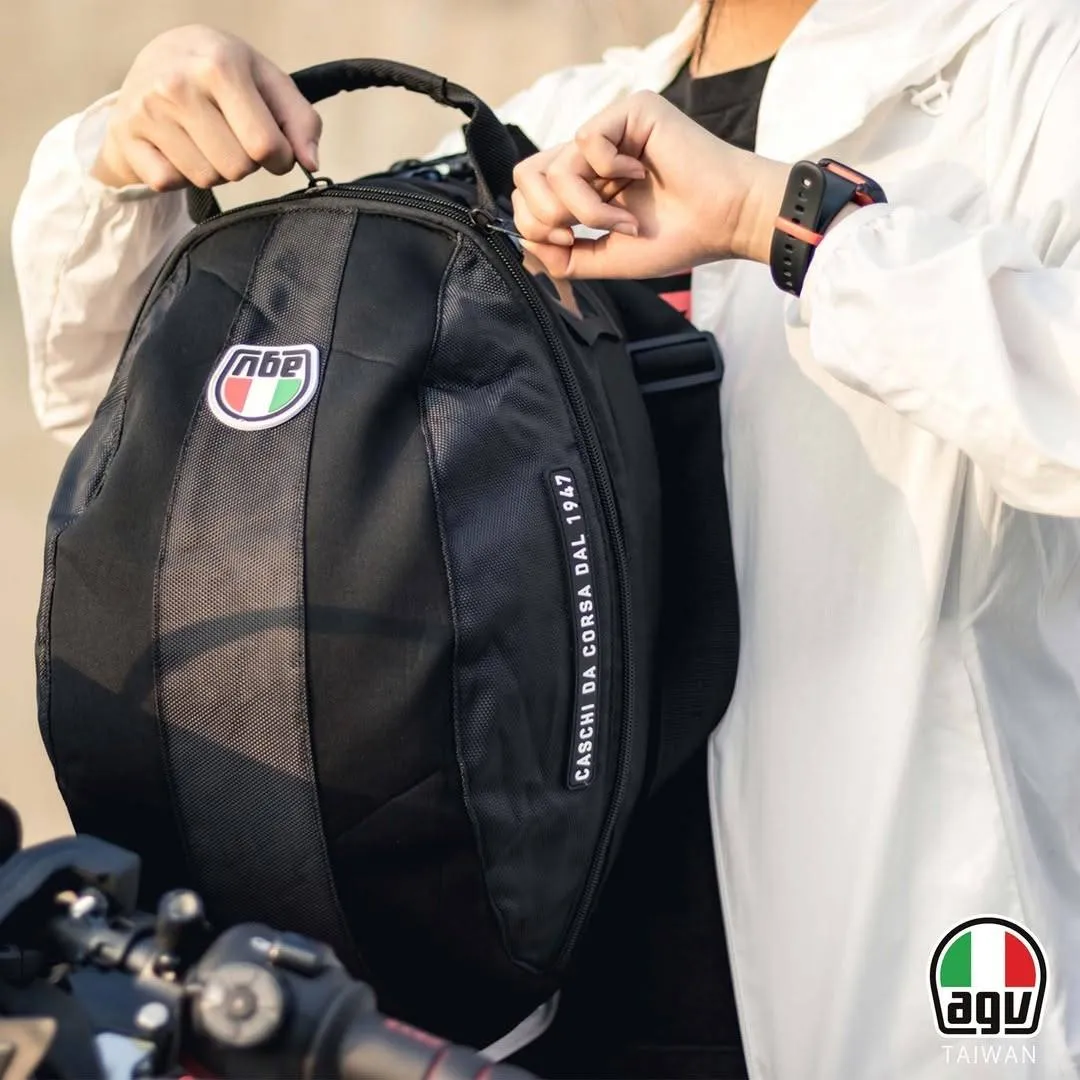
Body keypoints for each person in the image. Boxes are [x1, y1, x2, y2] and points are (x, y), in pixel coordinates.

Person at [11, 0, 1080, 1076]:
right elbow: (161, 440)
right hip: (537, 1005)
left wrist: (800, 226)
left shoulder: (1033, 70)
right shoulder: (556, 121)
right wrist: (128, 166)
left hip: (899, 975)